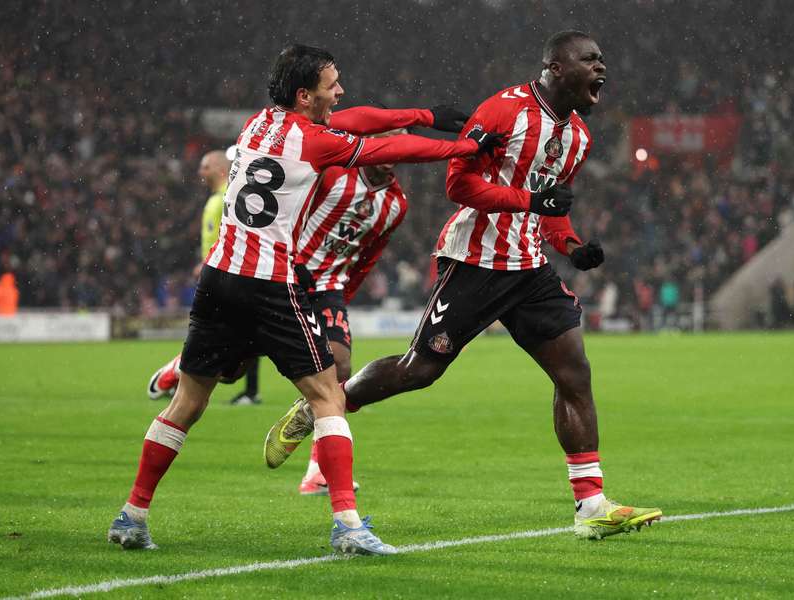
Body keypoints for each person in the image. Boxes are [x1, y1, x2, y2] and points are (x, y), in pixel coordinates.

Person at [264, 31, 662, 541]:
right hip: (475, 260)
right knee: (418, 371)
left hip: (529, 268)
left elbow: (551, 205)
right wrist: (529, 203)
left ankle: (591, 505)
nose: (601, 67)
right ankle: (327, 402)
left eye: (602, 59)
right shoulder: (503, 110)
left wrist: (570, 245)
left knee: (574, 372)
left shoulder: (579, 137)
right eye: (590, 59)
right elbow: (459, 185)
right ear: (557, 67)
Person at [107, 43, 501, 556]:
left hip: (218, 277)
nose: (339, 93)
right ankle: (348, 526)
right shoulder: (317, 144)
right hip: (270, 283)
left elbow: (360, 121)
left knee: (188, 403)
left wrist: (423, 115)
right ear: (304, 95)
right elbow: (383, 149)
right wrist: (465, 148)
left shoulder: (256, 125)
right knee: (328, 397)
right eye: (331, 86)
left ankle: (132, 515)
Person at [294, 128, 411, 495]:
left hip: (329, 287)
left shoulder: (396, 204)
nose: (393, 154)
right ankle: (181, 367)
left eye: (401, 147)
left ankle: (317, 471)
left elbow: (368, 255)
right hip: (287, 275)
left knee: (340, 367)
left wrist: (344, 294)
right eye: (387, 143)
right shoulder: (334, 172)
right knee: (234, 363)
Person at [147, 150, 264, 406]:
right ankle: (181, 373)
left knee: (241, 335)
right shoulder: (225, 198)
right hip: (224, 274)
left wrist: (207, 263)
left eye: (205, 167)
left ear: (221, 169)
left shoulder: (223, 199)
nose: (201, 172)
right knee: (239, 336)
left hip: (225, 273)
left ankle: (182, 372)